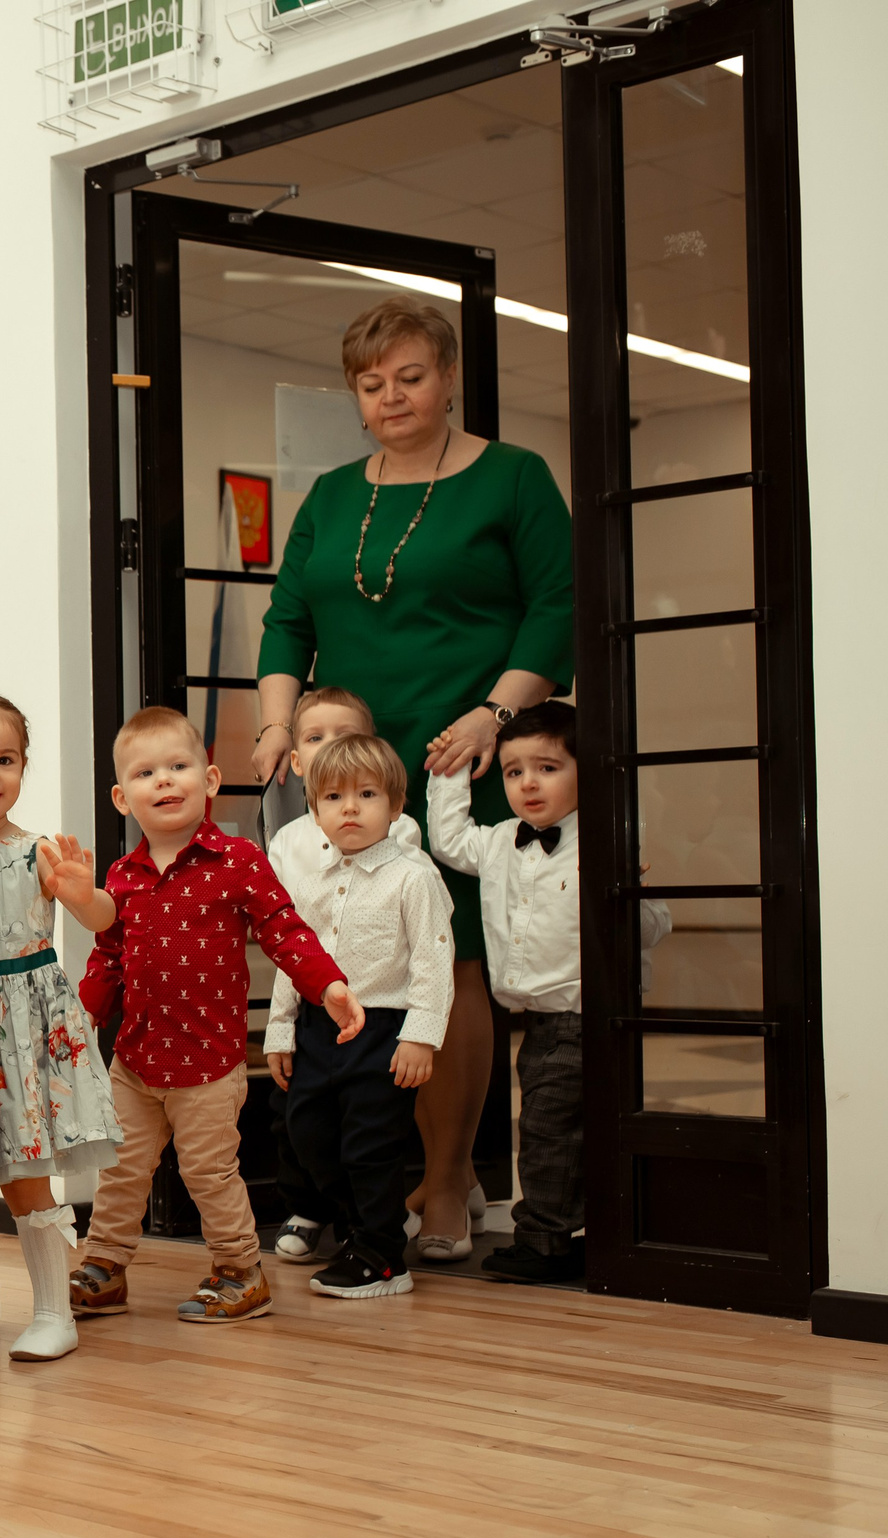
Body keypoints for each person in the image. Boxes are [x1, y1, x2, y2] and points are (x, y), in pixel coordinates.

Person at [252, 295, 574, 1261]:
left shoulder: (514, 478)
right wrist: (278, 726)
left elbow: (557, 607)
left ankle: (446, 1178)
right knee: (349, 957)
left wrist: (495, 714)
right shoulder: (333, 494)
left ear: (448, 378)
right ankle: (369, 1182)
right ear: (355, 394)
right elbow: (287, 620)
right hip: (346, 759)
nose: (392, 396)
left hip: (457, 758)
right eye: (372, 381)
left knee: (450, 963)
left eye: (411, 375)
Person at [71, 707, 360, 1325]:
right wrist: (77, 1019)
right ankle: (104, 1268)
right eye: (148, 773)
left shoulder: (238, 860)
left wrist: (327, 984)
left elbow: (284, 930)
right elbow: (109, 957)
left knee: (209, 1172)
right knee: (120, 1169)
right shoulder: (122, 877)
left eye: (179, 767)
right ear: (124, 797)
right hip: (135, 1059)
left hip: (208, 1062)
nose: (166, 781)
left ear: (210, 779)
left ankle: (239, 1271)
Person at [427, 701, 668, 1285]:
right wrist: (451, 769)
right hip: (538, 1022)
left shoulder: (606, 841)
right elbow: (448, 838)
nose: (528, 783)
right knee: (554, 1126)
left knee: (547, 1131)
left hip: (590, 1014)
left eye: (548, 767)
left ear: (588, 770)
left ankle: (545, 1239)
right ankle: (577, 1233)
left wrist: (626, 896)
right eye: (513, 772)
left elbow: (656, 923)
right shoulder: (500, 841)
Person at [0, 694, 119, 1362]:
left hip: (20, 1031)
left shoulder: (34, 850)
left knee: (23, 1171)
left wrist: (82, 891)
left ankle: (55, 1309)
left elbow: (102, 916)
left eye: (5, 759)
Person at [262, 685, 449, 1266]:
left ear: (395, 806)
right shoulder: (310, 880)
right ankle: (371, 1222)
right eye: (335, 797)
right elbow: (293, 961)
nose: (350, 808)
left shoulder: (412, 875)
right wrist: (280, 1030)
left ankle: (380, 1254)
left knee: (371, 1145)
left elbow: (434, 958)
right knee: (310, 1135)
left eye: (366, 795)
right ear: (314, 810)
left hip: (384, 1030)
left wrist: (422, 1033)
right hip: (319, 1028)